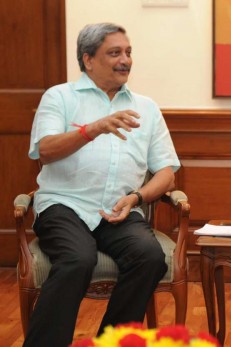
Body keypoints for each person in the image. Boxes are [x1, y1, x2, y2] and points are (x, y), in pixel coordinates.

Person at [24, 23, 180, 347]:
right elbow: (45, 150)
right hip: (63, 206)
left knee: (149, 256)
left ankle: (110, 342)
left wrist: (137, 197)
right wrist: (93, 128)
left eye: (128, 52)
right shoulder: (60, 96)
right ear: (88, 59)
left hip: (119, 209)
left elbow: (167, 173)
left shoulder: (146, 108)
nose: (125, 60)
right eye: (114, 53)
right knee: (78, 259)